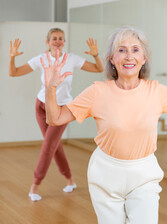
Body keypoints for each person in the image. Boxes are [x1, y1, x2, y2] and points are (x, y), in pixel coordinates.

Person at [42, 26, 167, 224]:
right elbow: (54, 118)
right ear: (111, 58)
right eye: (121, 50)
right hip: (105, 175)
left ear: (144, 57)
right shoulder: (97, 92)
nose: (129, 56)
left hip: (144, 176)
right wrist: (51, 89)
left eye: (135, 50)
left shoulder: (156, 91)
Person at [8, 28, 104, 201]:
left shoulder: (72, 59)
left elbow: (98, 69)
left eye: (60, 38)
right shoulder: (41, 59)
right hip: (41, 106)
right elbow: (13, 72)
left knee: (48, 147)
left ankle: (34, 186)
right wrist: (12, 57)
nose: (57, 41)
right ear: (48, 42)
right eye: (54, 38)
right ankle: (70, 180)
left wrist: (96, 55)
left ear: (64, 41)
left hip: (63, 109)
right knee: (53, 145)